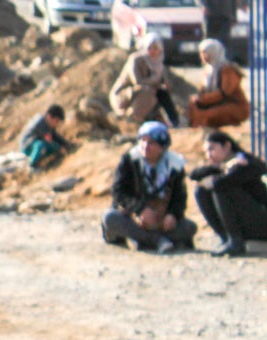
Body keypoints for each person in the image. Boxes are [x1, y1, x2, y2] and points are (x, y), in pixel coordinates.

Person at [102, 120, 197, 253]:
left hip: (160, 219)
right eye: (143, 141)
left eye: (151, 142)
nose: (146, 146)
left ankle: (144, 240)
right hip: (134, 217)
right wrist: (139, 209)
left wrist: (173, 215)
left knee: (190, 227)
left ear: (162, 146)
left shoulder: (174, 165)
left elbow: (180, 197)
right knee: (110, 218)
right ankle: (157, 241)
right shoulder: (129, 160)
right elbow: (119, 193)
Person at [191, 130, 267, 258]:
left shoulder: (244, 161)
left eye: (212, 149)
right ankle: (225, 238)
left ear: (226, 146)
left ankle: (235, 241)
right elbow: (194, 175)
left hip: (261, 221)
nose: (209, 155)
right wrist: (220, 168)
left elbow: (261, 167)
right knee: (201, 190)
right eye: (206, 152)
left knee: (221, 186)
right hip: (245, 221)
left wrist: (229, 170)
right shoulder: (220, 166)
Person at [109, 33, 180, 126]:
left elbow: (166, 84)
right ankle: (132, 118)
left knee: (162, 93)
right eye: (150, 48)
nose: (152, 51)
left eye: (155, 48)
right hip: (124, 96)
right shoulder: (136, 60)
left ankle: (173, 121)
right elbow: (137, 82)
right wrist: (155, 81)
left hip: (145, 95)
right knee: (147, 90)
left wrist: (164, 84)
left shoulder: (159, 63)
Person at [187, 38, 249, 129]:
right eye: (201, 53)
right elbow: (203, 90)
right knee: (193, 105)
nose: (202, 56)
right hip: (215, 103)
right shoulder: (208, 70)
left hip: (233, 105)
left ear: (214, 52)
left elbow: (224, 94)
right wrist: (198, 98)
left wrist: (203, 99)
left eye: (205, 53)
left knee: (208, 115)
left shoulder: (227, 70)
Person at [19, 103, 70, 169]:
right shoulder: (40, 123)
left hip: (36, 143)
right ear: (49, 116)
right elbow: (50, 140)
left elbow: (55, 136)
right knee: (41, 145)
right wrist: (60, 147)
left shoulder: (48, 122)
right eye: (56, 121)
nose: (57, 124)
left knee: (52, 146)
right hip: (27, 147)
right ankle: (33, 165)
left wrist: (66, 144)